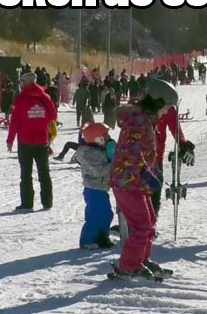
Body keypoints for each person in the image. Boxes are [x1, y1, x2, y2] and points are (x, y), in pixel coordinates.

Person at [108, 78, 179, 280]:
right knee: (141, 225)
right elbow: (132, 152)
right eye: (166, 107)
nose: (167, 112)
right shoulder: (139, 121)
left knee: (149, 222)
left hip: (135, 180)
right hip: (127, 181)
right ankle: (129, 266)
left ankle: (140, 259)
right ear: (157, 102)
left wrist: (150, 171)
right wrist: (146, 173)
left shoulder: (146, 119)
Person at [7, 72, 58, 211]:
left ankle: (27, 203)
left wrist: (10, 140)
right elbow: (53, 115)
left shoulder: (20, 99)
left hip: (25, 141)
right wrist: (41, 121)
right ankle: (47, 202)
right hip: (42, 140)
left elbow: (15, 122)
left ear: (24, 83)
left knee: (26, 174)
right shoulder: (45, 97)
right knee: (44, 172)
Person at [75, 122, 117, 249]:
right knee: (94, 216)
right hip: (93, 189)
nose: (109, 138)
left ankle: (102, 237)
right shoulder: (89, 154)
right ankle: (87, 240)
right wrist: (114, 163)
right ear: (97, 139)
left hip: (101, 189)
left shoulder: (100, 150)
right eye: (106, 136)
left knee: (106, 214)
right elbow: (99, 171)